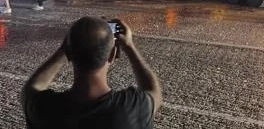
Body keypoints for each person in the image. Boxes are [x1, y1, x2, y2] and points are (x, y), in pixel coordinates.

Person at [21, 17, 161, 128]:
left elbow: (33, 87)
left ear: (70, 53)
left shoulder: (44, 109)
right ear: (113, 54)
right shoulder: (132, 108)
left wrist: (63, 51)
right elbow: (154, 91)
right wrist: (130, 47)